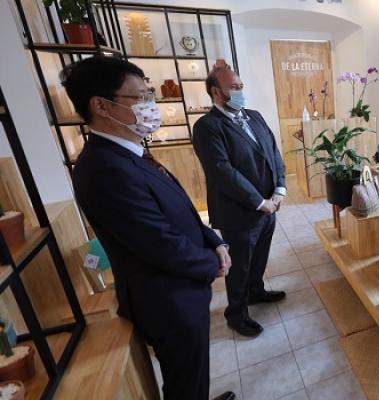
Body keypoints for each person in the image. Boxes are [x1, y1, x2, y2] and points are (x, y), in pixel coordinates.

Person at [65, 56, 235, 400]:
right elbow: (159, 242)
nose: (150, 105)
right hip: (167, 300)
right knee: (184, 383)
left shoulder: (130, 152)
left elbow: (182, 209)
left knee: (194, 373)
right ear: (101, 105)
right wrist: (212, 264)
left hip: (181, 287)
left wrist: (214, 241)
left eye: (149, 95)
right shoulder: (104, 169)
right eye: (140, 97)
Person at [193, 67, 287, 338]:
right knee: (240, 265)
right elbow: (222, 171)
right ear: (216, 92)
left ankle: (256, 291)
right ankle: (236, 313)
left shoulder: (254, 116)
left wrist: (279, 188)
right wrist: (259, 202)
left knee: (260, 255)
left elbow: (273, 152)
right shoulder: (207, 127)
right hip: (239, 212)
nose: (240, 91)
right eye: (234, 87)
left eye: (241, 86)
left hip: (270, 206)